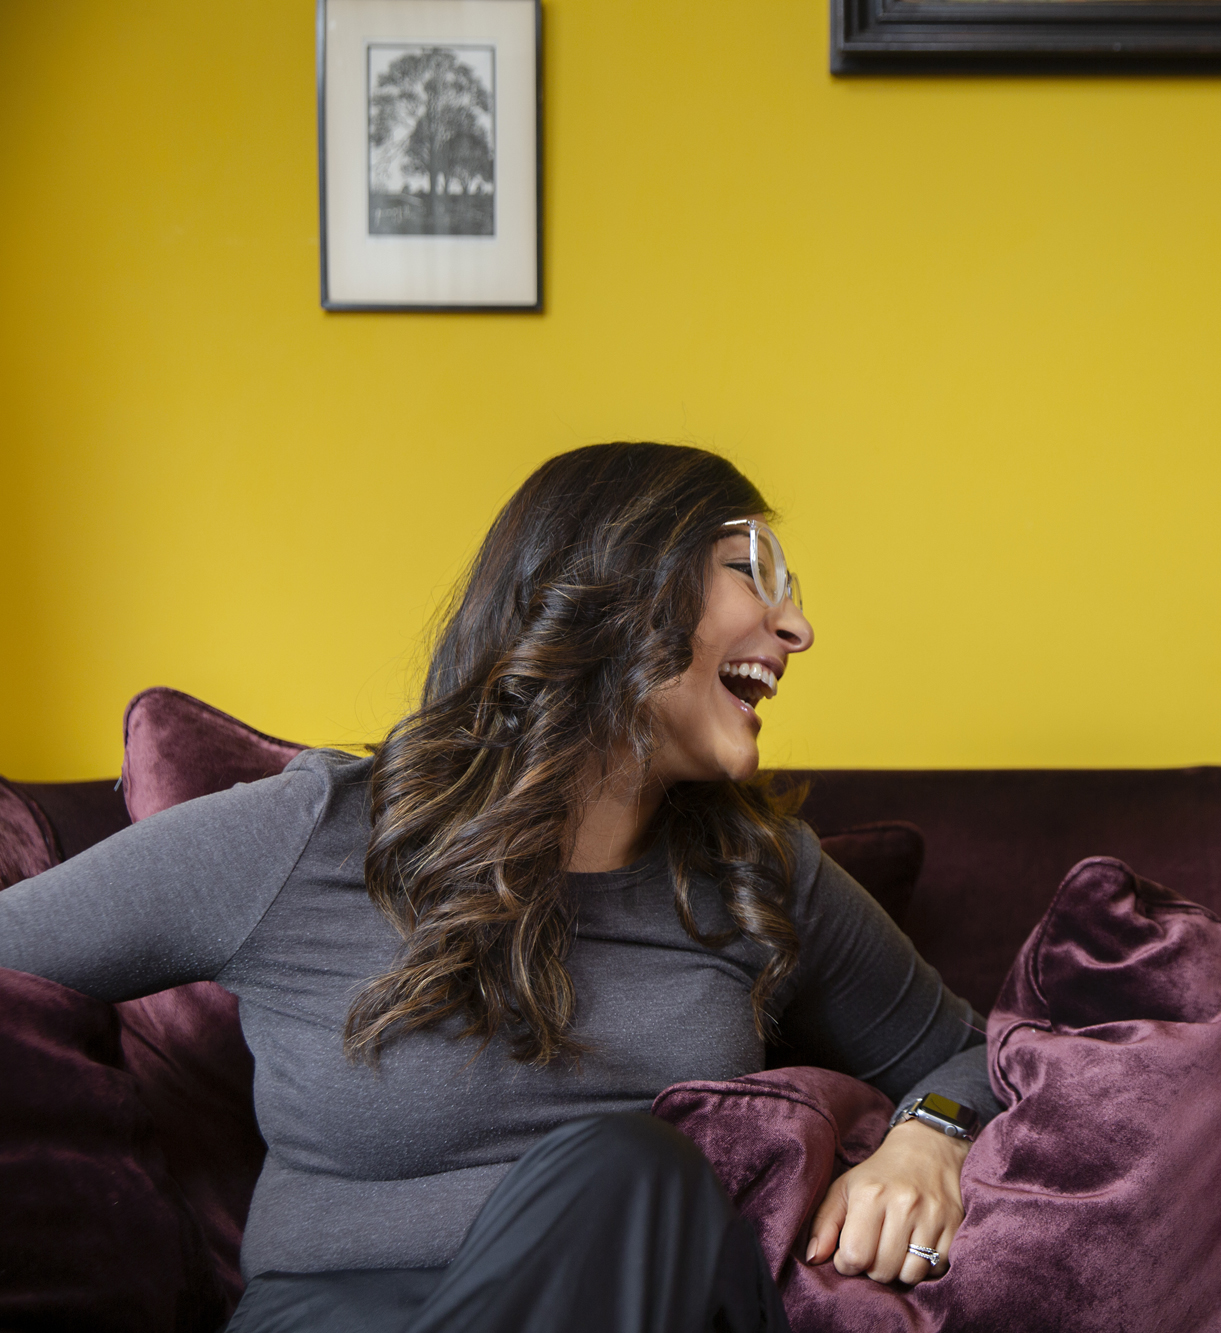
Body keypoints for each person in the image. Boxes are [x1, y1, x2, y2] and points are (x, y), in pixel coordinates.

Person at [0, 443, 1000, 1333]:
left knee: (638, 1170)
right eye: (753, 570)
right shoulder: (310, 835)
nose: (799, 627)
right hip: (342, 1311)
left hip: (645, 1290)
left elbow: (970, 1051)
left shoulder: (758, 873)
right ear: (618, 583)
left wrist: (927, 1139)